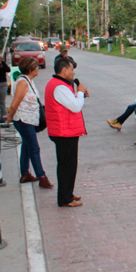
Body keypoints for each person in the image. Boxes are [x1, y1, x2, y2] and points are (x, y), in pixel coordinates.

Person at [44, 58, 89, 207]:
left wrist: (79, 94)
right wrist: (80, 93)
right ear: (64, 70)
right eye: (71, 69)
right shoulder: (60, 87)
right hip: (64, 132)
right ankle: (65, 198)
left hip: (65, 130)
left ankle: (67, 193)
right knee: (67, 166)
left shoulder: (60, 85)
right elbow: (76, 107)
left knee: (68, 165)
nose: (73, 72)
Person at [5, 58, 53, 189]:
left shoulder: (28, 80)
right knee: (34, 148)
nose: (38, 69)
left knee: (27, 146)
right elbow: (15, 102)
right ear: (31, 69)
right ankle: (41, 177)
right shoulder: (22, 82)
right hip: (23, 120)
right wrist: (9, 117)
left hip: (29, 119)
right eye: (36, 67)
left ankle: (25, 173)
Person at [0, 54, 10, 122]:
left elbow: (8, 70)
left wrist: (3, 62)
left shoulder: (3, 65)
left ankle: (3, 118)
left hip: (3, 85)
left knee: (2, 102)